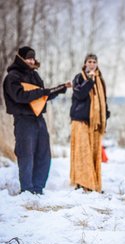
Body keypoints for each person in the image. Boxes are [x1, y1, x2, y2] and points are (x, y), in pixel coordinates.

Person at [2, 46, 71, 195]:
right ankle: (27, 190)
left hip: (39, 119)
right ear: (21, 59)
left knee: (43, 154)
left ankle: (38, 189)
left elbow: (43, 96)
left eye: (33, 58)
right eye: (28, 58)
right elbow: (20, 96)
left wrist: (61, 88)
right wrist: (41, 92)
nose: (32, 60)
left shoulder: (35, 76)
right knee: (26, 155)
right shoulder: (12, 77)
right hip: (23, 120)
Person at [70, 54, 110, 193]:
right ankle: (81, 183)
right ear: (85, 63)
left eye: (94, 62)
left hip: (95, 122)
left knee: (93, 153)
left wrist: (106, 114)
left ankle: (93, 184)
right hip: (80, 120)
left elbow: (103, 100)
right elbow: (80, 94)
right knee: (82, 153)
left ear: (97, 64)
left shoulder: (100, 80)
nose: (92, 64)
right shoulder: (79, 78)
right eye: (89, 62)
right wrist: (90, 80)